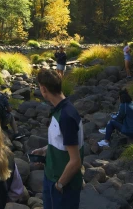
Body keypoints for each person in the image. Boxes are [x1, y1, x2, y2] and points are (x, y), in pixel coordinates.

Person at [30, 69, 83, 208]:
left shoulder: (66, 117)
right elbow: (65, 143)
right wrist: (45, 150)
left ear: (43, 89)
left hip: (63, 185)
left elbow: (75, 161)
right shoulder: (60, 109)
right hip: (52, 177)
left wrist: (59, 185)